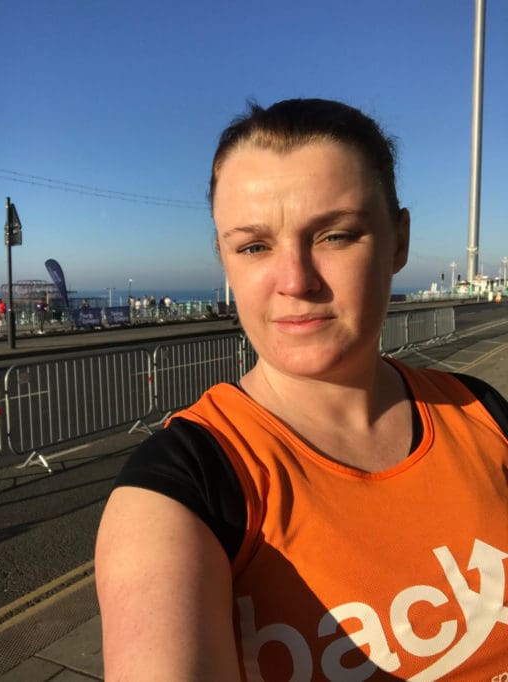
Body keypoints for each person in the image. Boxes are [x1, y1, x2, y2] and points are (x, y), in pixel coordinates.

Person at [95, 99, 508, 680]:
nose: (295, 281)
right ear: (225, 259)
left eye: (335, 235)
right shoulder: (186, 488)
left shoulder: (481, 413)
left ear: (398, 242)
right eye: (254, 246)